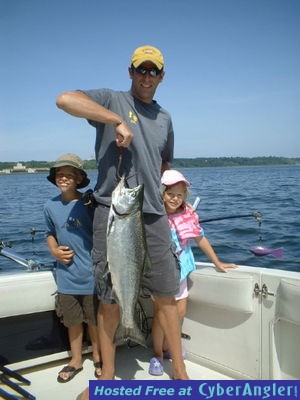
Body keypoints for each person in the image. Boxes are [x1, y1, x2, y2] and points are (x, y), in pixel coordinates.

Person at [56, 45, 189, 397]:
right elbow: (65, 99)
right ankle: (106, 380)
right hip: (112, 212)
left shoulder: (165, 118)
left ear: (162, 77)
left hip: (155, 216)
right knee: (110, 298)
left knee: (166, 294)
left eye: (153, 71)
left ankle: (182, 372)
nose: (147, 77)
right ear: (130, 72)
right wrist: (114, 120)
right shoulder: (111, 100)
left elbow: (163, 165)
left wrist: (174, 200)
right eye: (140, 70)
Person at [149, 169, 237, 376]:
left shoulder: (188, 215)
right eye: (170, 193)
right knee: (162, 315)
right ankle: (157, 353)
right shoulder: (153, 216)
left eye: (180, 195)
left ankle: (169, 346)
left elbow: (200, 238)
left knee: (179, 313)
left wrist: (217, 262)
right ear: (161, 193)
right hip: (160, 272)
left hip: (182, 269)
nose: (175, 199)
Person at [44, 153, 101, 383]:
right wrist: (54, 250)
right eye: (60, 174)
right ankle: (75, 359)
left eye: (69, 175)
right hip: (66, 276)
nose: (64, 178)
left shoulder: (89, 201)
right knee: (73, 321)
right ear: (54, 178)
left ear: (79, 178)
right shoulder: (49, 205)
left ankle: (98, 356)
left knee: (94, 320)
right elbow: (50, 233)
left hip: (91, 275)